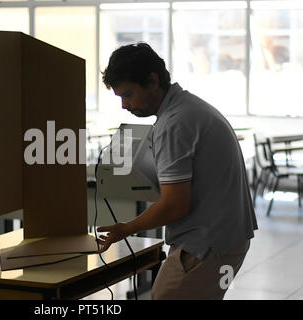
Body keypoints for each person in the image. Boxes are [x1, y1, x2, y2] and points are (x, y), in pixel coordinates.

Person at [97, 42, 258, 300]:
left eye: (127, 95)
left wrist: (125, 229)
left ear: (152, 81)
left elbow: (174, 206)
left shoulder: (174, 123)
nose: (124, 105)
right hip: (228, 241)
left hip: (206, 246)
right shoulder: (188, 107)